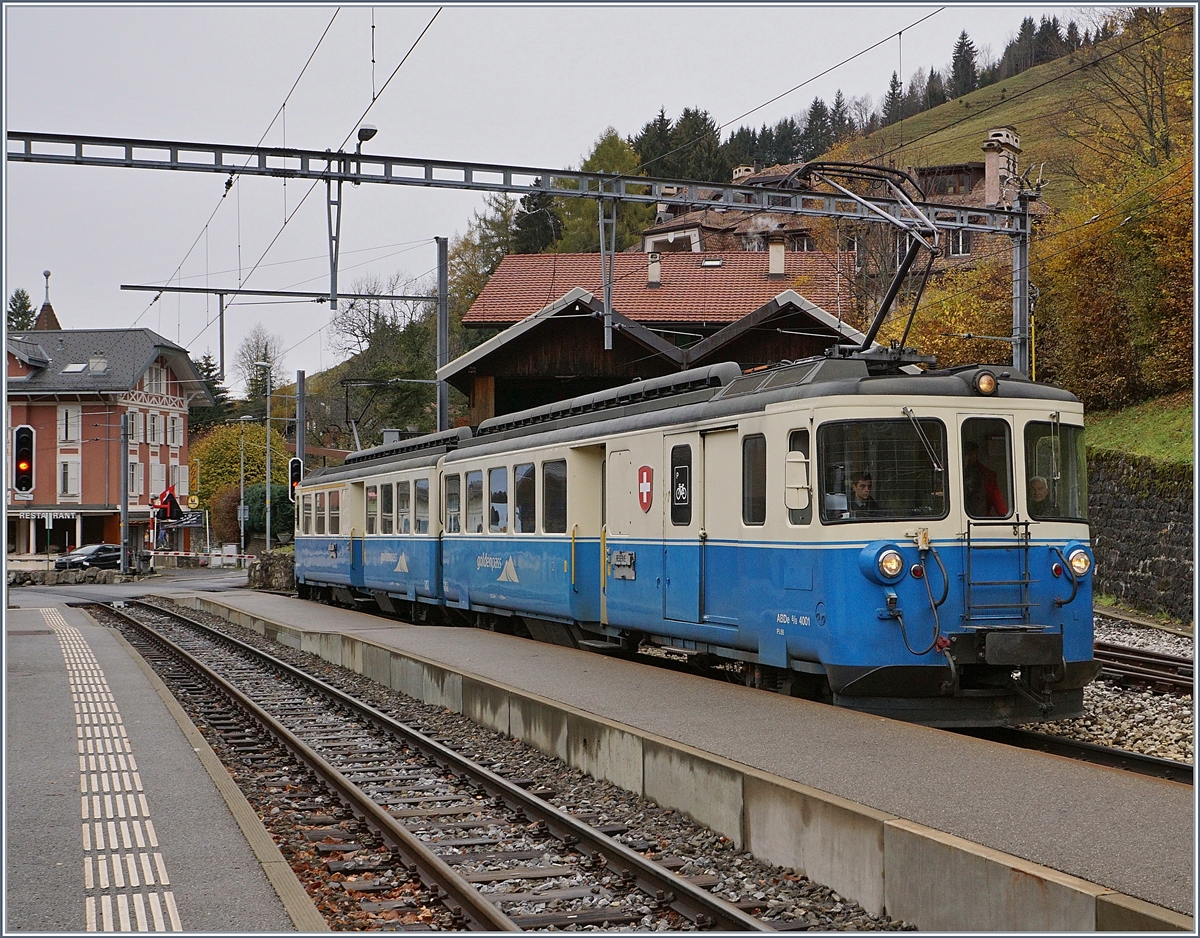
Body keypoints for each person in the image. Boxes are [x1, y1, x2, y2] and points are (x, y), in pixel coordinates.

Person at [963, 441, 1008, 517]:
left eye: (971, 454)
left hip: (982, 517)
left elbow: (997, 500)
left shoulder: (987, 475)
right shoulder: (988, 474)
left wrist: (1005, 515)